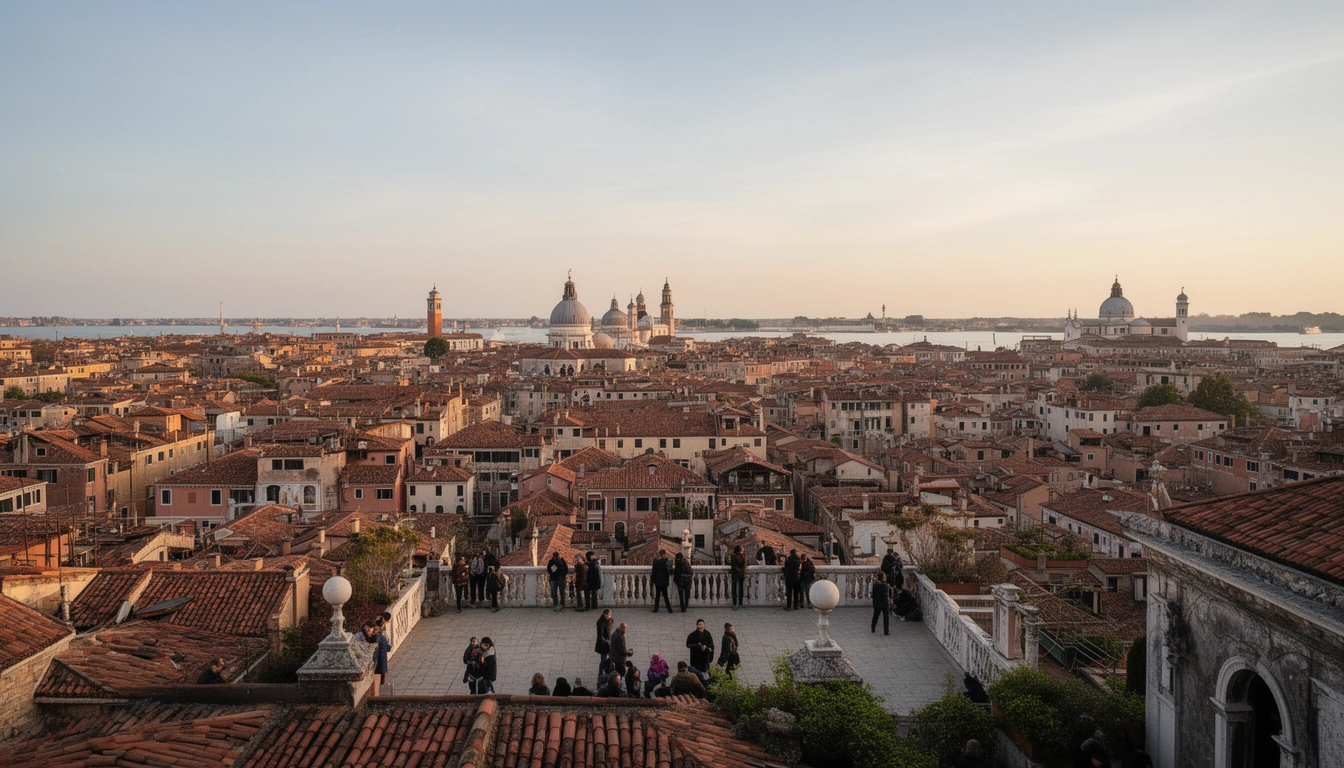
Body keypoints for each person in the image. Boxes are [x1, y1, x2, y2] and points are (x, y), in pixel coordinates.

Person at [372, 622, 390, 696]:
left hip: (377, 662)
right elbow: (388, 648)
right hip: (382, 662)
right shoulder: (381, 637)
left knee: (378, 679)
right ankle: (381, 693)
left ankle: (378, 693)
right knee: (382, 679)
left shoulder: (377, 638)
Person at [594, 608, 613, 677]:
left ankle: (607, 671)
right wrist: (606, 642)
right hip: (604, 645)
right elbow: (601, 635)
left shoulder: (607, 621)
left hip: (607, 643)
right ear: (605, 615)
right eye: (609, 615)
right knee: (603, 660)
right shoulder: (601, 623)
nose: (610, 616)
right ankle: (600, 674)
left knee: (607, 659)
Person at [729, 545, 748, 610]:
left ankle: (734, 603)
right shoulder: (744, 557)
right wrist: (741, 570)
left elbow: (733, 565)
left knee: (734, 589)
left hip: (735, 574)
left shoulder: (733, 556)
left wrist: (737, 570)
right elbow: (745, 566)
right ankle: (740, 602)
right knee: (741, 589)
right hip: (741, 575)